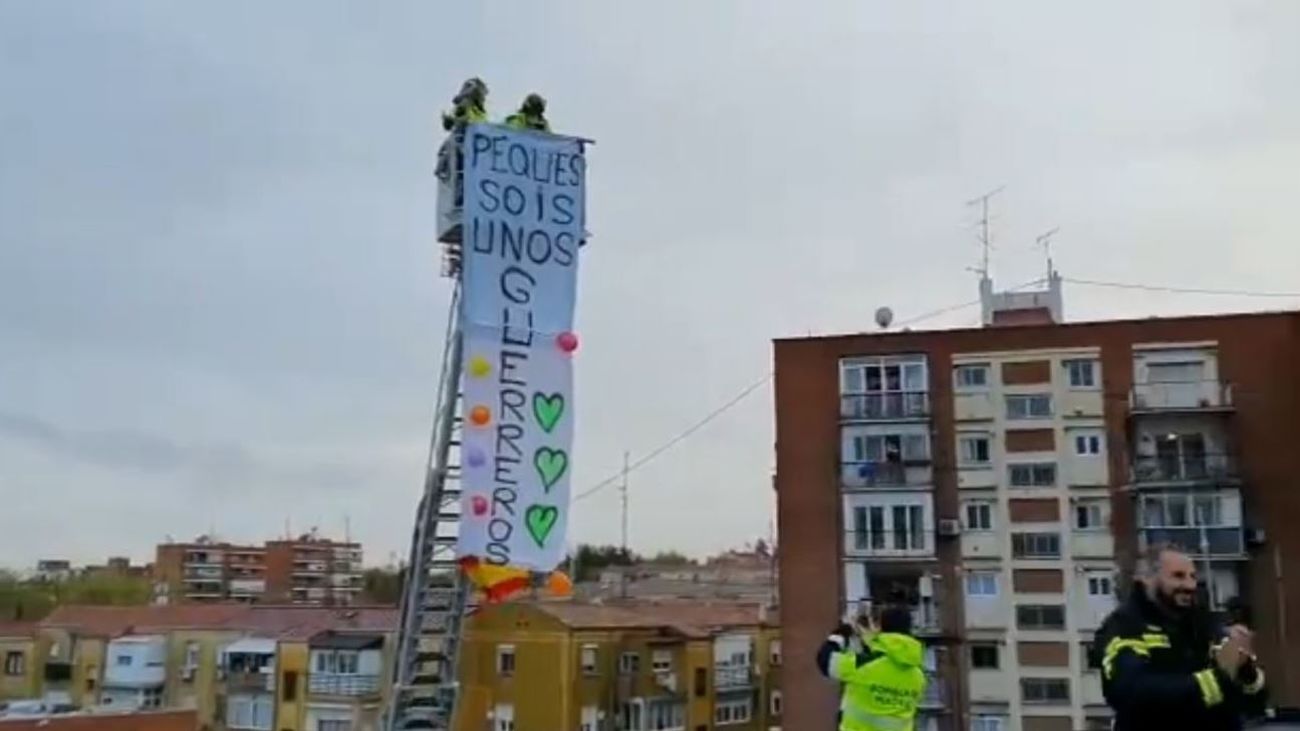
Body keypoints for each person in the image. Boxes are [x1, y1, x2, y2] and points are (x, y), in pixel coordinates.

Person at [1094, 544, 1267, 731]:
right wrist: (1217, 680)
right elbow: (1131, 693)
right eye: (1178, 576)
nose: (1189, 585)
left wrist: (1245, 672)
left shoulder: (1205, 624)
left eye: (1193, 577)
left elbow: (1255, 706)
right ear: (1147, 579)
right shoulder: (1125, 626)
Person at [817, 602, 926, 731]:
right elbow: (889, 657)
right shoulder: (918, 675)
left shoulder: (864, 665)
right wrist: (870, 640)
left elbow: (825, 660)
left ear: (880, 628)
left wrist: (843, 632)